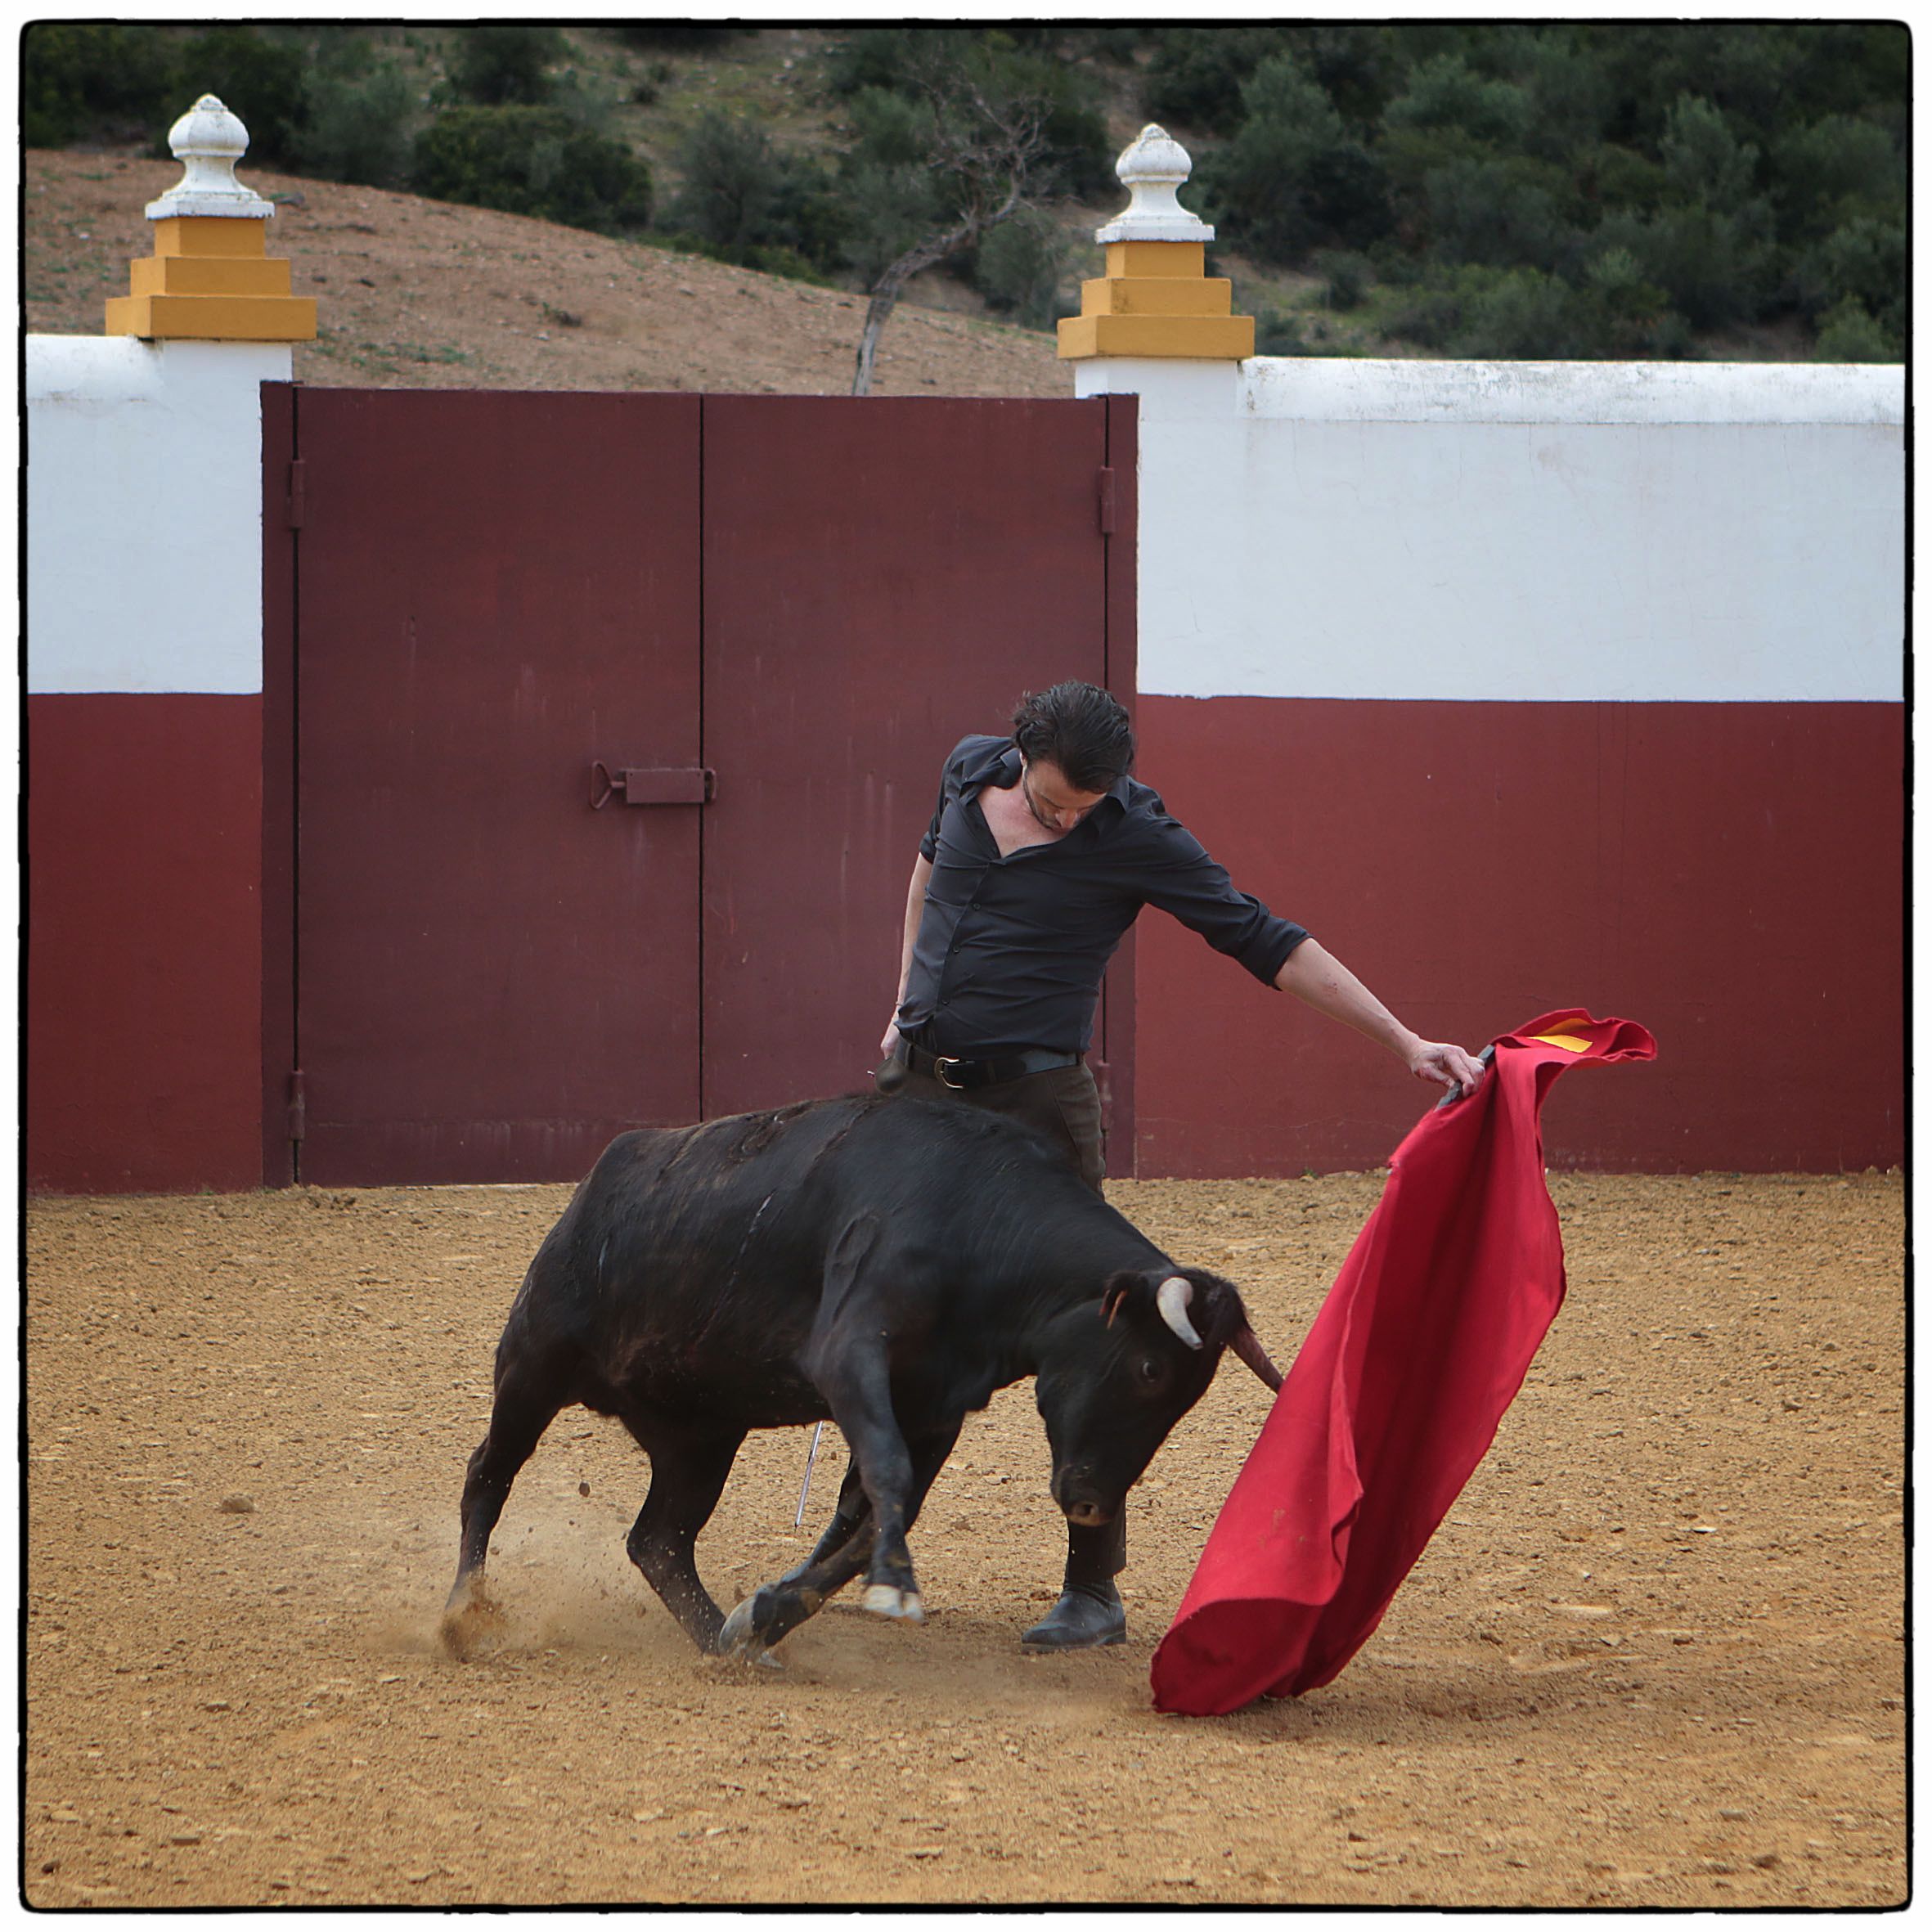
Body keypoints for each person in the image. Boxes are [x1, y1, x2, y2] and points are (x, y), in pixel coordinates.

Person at [876, 681, 1487, 1651]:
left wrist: (1405, 1041)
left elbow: (1264, 938)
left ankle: (1092, 1586)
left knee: (1096, 1339)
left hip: (1038, 1111)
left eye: (1083, 808)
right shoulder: (966, 767)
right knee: (892, 1313)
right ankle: (868, 1548)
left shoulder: (1134, 833)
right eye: (1050, 803)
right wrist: (906, 1006)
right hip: (920, 1096)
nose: (1065, 819)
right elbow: (924, 876)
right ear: (1019, 753)